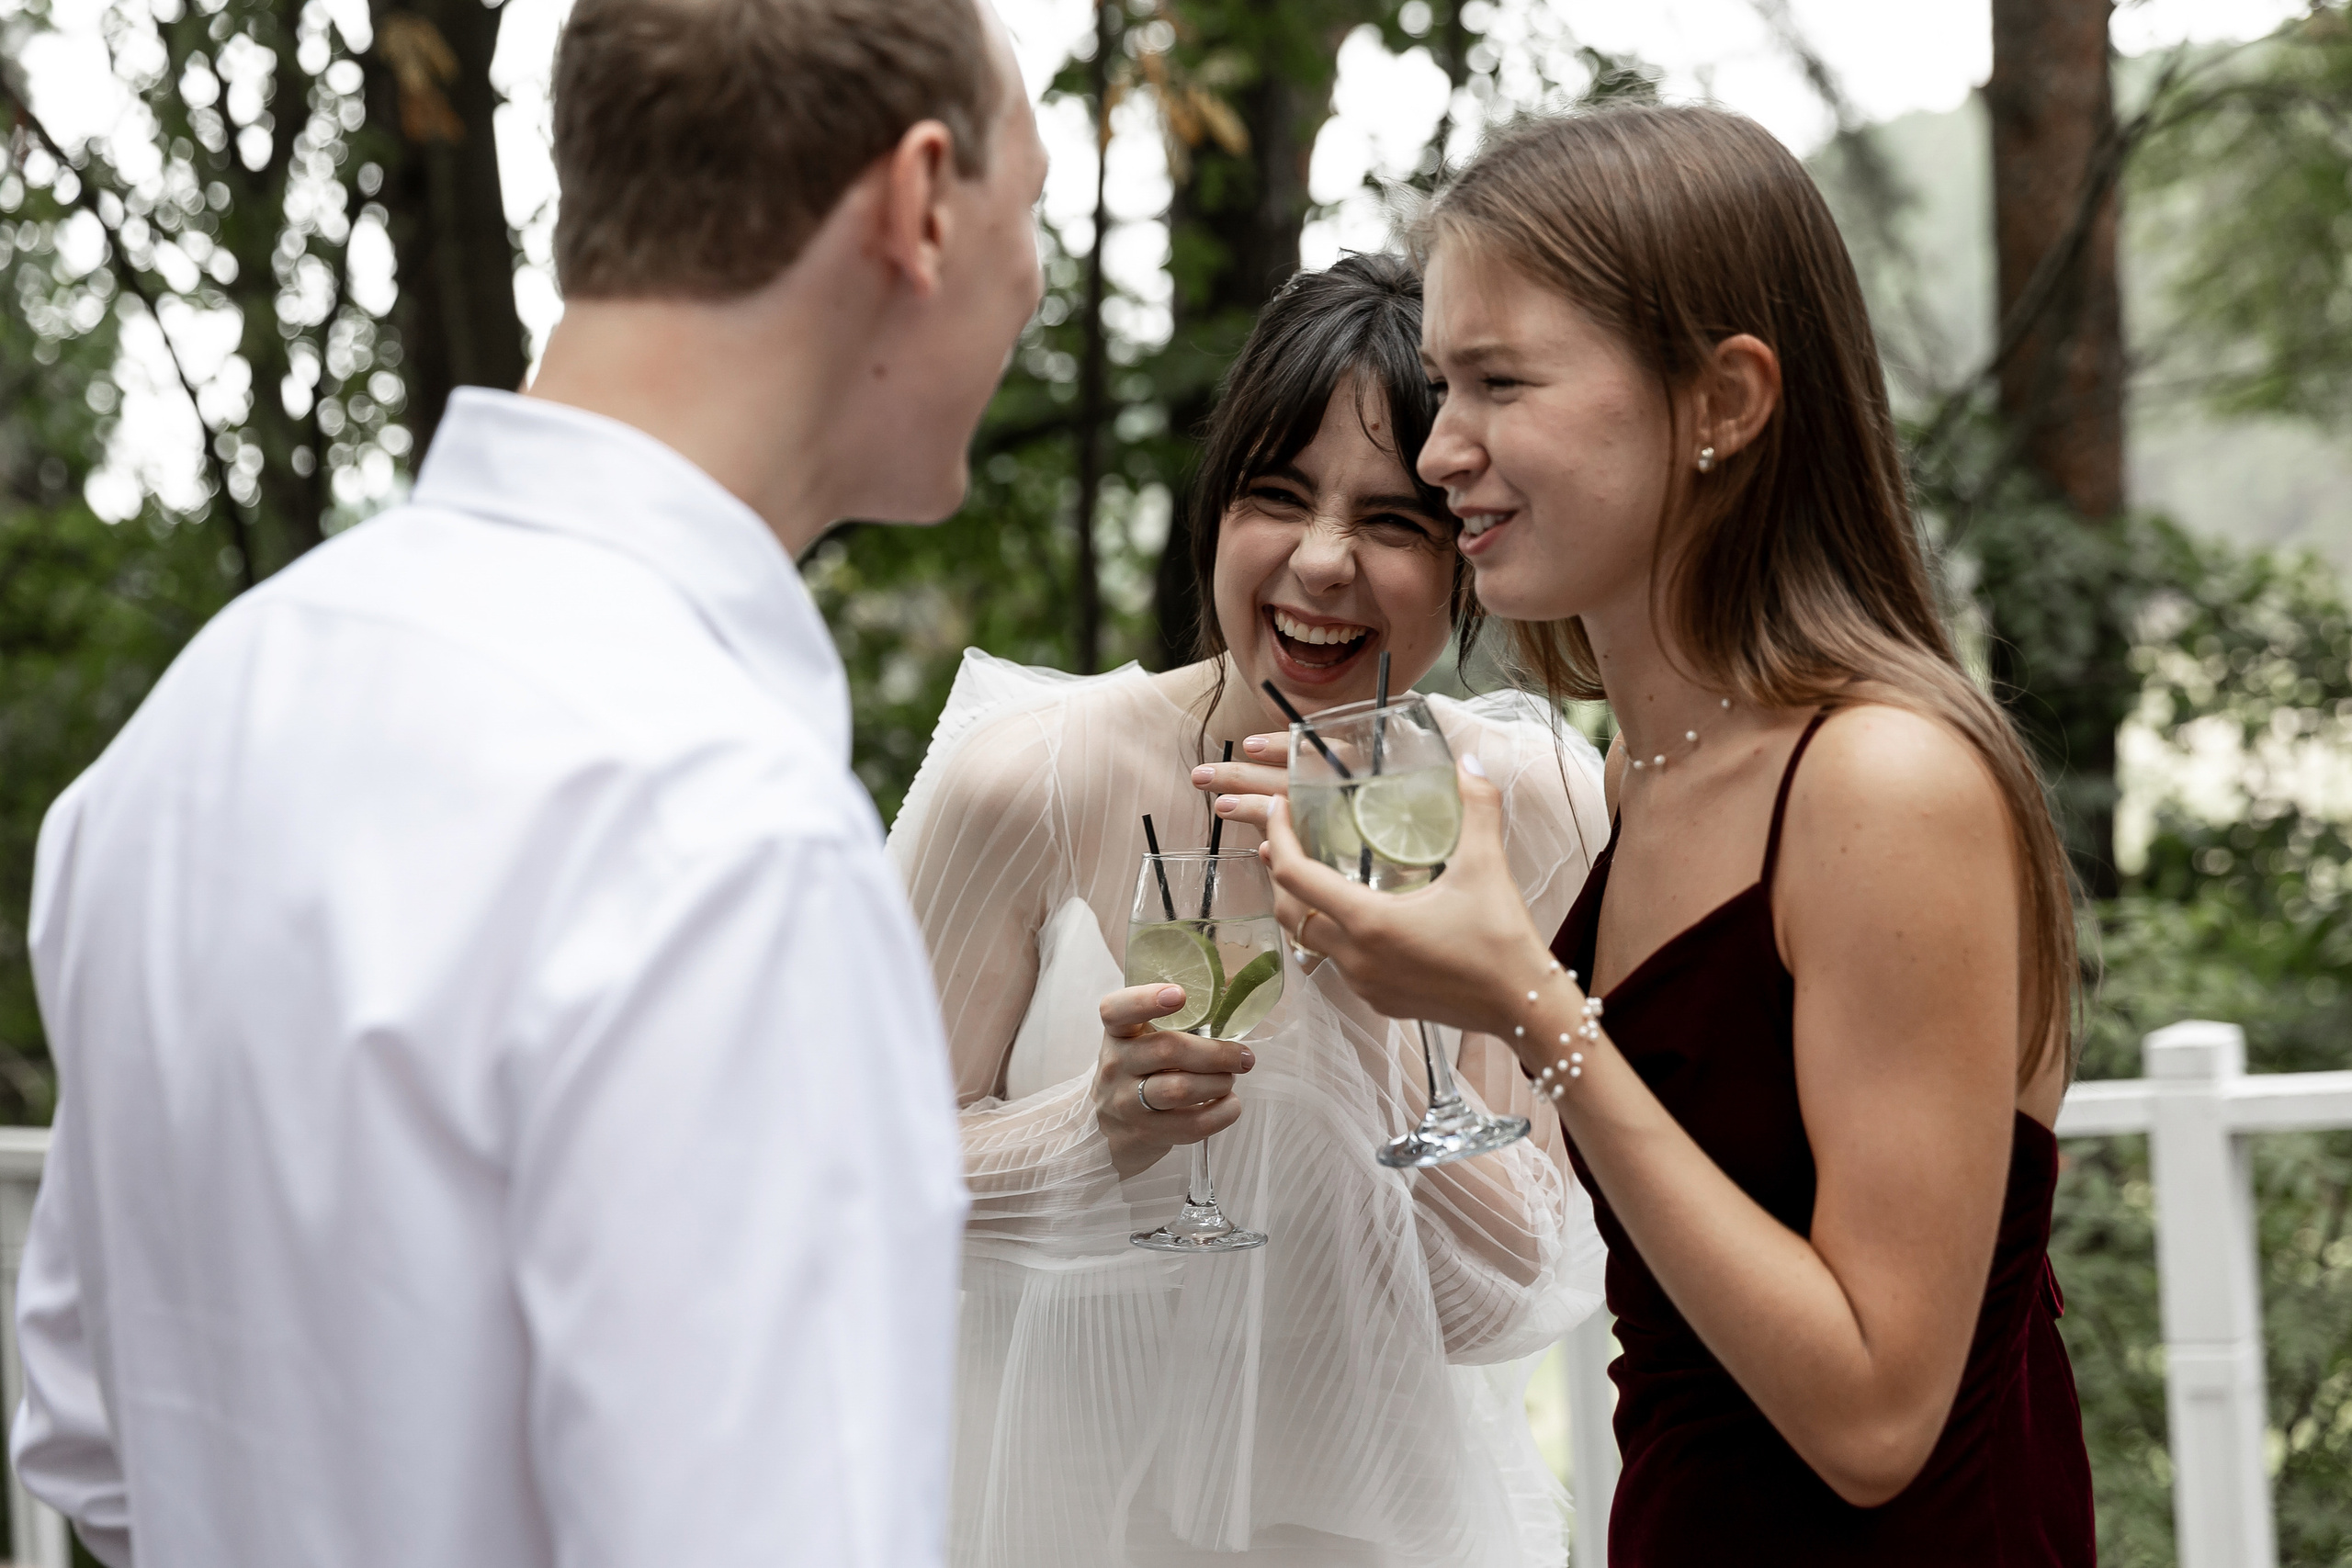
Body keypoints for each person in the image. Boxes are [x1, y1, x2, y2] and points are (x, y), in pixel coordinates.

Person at [10, 3, 1046, 1564]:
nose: (1033, 281)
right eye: (1028, 211)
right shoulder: (720, 830)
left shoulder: (193, 727)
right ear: (918, 204)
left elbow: (89, 1433)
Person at [1261, 107, 2098, 1566]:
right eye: (1444, 385)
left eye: (1497, 382)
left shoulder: (1880, 784)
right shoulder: (1648, 774)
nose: (1440, 447)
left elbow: (1876, 1416)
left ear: (1725, 400)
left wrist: (1533, 1012)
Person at [888, 254, 1610, 1568]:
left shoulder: (1535, 807)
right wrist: (1085, 1135)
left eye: (1393, 523)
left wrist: (1382, 993)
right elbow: (848, 1175)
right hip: (1061, 1521)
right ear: (1218, 510)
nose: (1322, 563)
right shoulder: (1031, 783)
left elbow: (1513, 1295)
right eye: (1279, 498)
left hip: (1393, 1528)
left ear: (1467, 553)